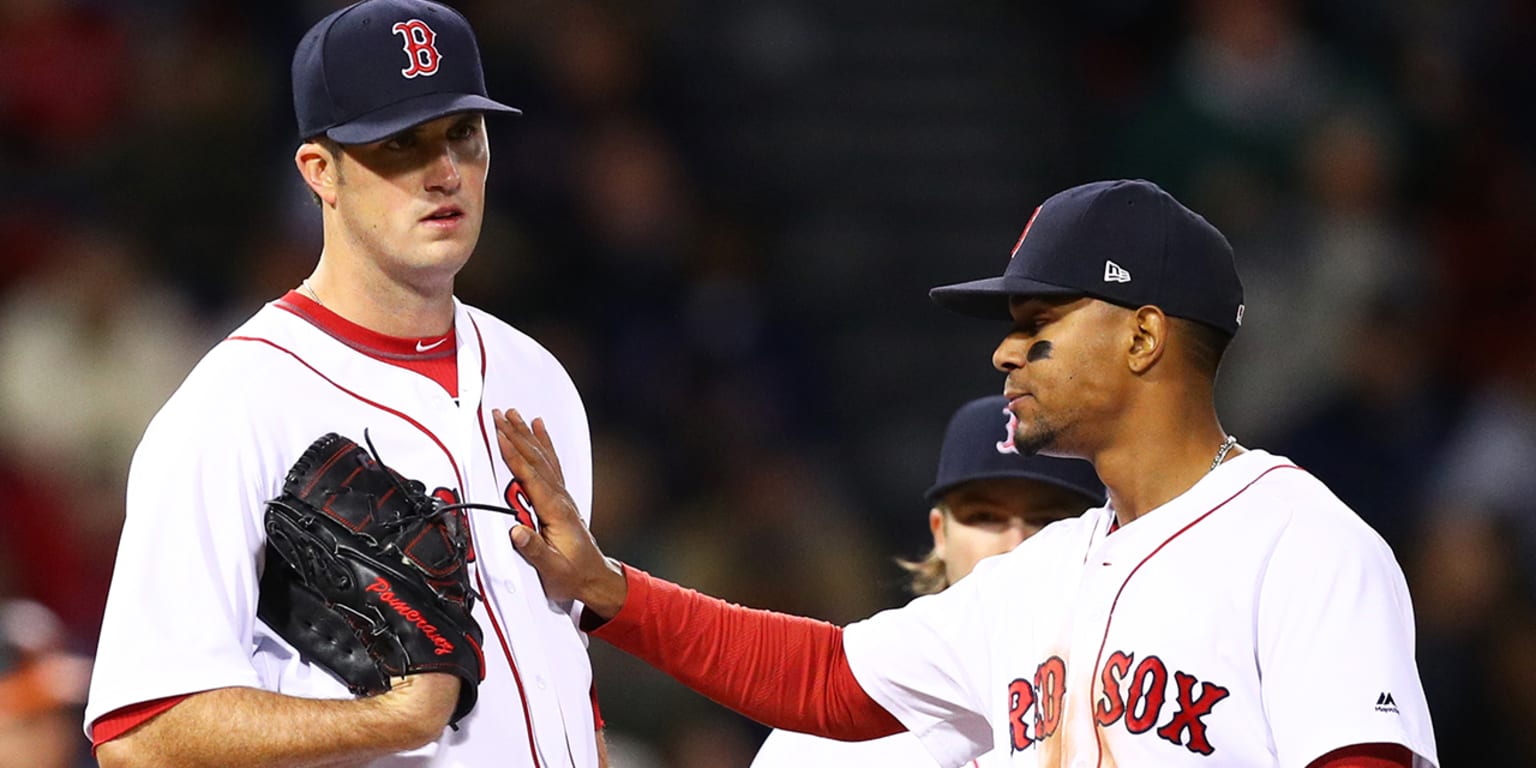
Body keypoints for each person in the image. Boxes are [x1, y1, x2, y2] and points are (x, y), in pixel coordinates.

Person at [493, 179, 1439, 767]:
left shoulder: (1303, 543)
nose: (1005, 354)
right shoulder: (1039, 574)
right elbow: (826, 679)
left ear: (1145, 335)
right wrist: (607, 589)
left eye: (1040, 326)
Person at [85, 1, 608, 765]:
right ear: (319, 171)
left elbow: (566, 672)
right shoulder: (234, 404)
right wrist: (391, 722)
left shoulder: (539, 380)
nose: (444, 172)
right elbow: (137, 736)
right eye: (401, 143)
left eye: (463, 133)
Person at [751, 394, 1104, 767]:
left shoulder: (1137, 692)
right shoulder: (839, 723)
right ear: (940, 533)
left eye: (1047, 521)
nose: (1015, 543)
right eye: (984, 516)